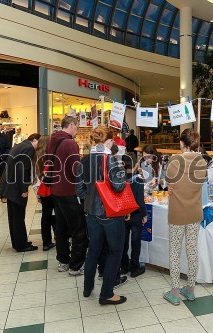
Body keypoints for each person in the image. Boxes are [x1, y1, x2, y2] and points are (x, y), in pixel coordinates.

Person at [76, 126, 127, 305]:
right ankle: (106, 293)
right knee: (115, 251)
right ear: (109, 141)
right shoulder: (111, 160)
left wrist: (90, 199)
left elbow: (79, 189)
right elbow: (119, 186)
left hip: (91, 213)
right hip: (110, 213)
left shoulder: (85, 160)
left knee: (94, 249)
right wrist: (121, 169)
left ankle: (87, 287)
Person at [163, 129, 207, 305]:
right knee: (192, 251)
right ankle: (190, 289)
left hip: (177, 213)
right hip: (195, 212)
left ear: (182, 143)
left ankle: (174, 291)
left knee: (174, 251)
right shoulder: (202, 162)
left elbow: (169, 182)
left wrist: (171, 187)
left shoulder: (175, 160)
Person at [46, 116, 87, 276]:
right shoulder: (70, 143)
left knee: (61, 227)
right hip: (69, 191)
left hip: (56, 190)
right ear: (71, 125)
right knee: (78, 229)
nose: (77, 129)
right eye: (77, 126)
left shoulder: (52, 140)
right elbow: (76, 169)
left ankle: (63, 261)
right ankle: (76, 266)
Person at [0, 133, 41, 252]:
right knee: (18, 217)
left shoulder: (19, 146)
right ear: (35, 140)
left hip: (9, 185)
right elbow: (22, 168)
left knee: (13, 217)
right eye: (39, 143)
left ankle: (18, 242)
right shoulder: (29, 148)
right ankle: (22, 245)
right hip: (16, 188)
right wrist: (24, 189)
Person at [121, 170, 147, 278]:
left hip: (123, 212)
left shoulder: (119, 177)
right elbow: (140, 200)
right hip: (136, 213)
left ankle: (124, 266)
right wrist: (144, 214)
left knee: (124, 241)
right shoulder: (138, 179)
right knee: (136, 242)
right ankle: (134, 268)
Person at [34, 135, 56, 251]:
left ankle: (46, 242)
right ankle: (58, 237)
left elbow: (35, 179)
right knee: (55, 214)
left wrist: (37, 194)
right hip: (51, 189)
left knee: (45, 216)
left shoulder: (36, 158)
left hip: (42, 191)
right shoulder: (50, 157)